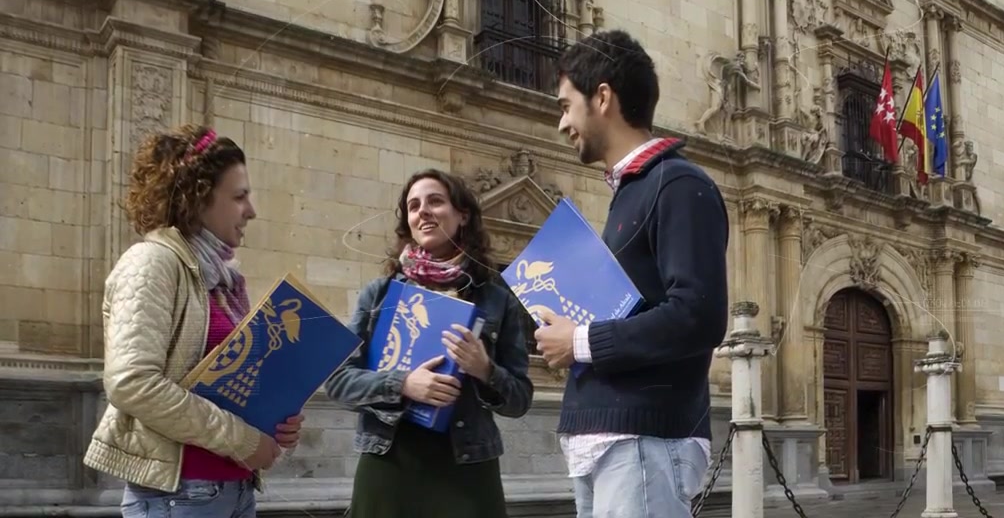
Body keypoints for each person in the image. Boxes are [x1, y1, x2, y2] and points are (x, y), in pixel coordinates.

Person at [535, 30, 730, 517]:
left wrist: (579, 341)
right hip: (609, 439)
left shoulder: (680, 184)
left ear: (602, 97)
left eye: (565, 105)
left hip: (643, 440)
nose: (562, 124)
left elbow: (699, 315)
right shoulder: (634, 192)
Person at [83, 125, 303, 518]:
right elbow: (131, 383)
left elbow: (231, 379)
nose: (251, 210)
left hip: (235, 489)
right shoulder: (152, 262)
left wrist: (275, 420)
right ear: (198, 196)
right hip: (179, 495)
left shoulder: (224, 278)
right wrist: (242, 439)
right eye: (239, 196)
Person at [325, 168, 534, 518]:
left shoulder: (498, 299)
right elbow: (338, 381)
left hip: (467, 469)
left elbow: (520, 400)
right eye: (413, 205)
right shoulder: (380, 295)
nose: (422, 211)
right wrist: (403, 383)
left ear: (462, 214)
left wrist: (485, 370)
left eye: (435, 201)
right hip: (390, 464)